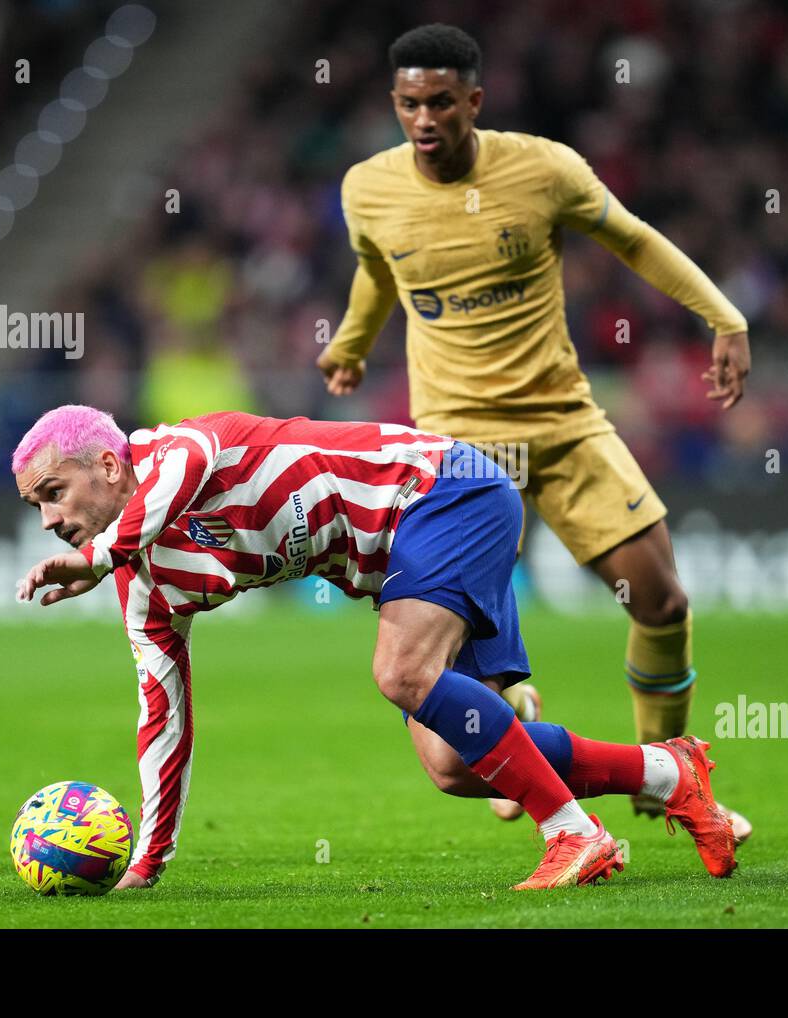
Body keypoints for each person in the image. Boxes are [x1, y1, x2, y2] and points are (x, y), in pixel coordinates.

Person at [316, 23, 753, 833]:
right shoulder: (367, 189)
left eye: (442, 101)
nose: (425, 118)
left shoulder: (544, 170)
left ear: (474, 102)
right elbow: (379, 269)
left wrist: (721, 316)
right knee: (451, 669)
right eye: (410, 102)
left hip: (561, 425)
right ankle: (514, 720)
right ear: (395, 104)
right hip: (458, 451)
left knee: (660, 599)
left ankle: (668, 776)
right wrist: (351, 340)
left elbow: (632, 238)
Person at [13, 404, 738, 889]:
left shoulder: (179, 448)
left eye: (53, 492)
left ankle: (573, 834)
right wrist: (148, 860)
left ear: (108, 467)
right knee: (452, 765)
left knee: (401, 672)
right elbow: (161, 717)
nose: (47, 518)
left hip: (447, 492)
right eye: (34, 505)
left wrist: (99, 555)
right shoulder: (144, 584)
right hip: (402, 562)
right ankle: (668, 774)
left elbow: (172, 483)